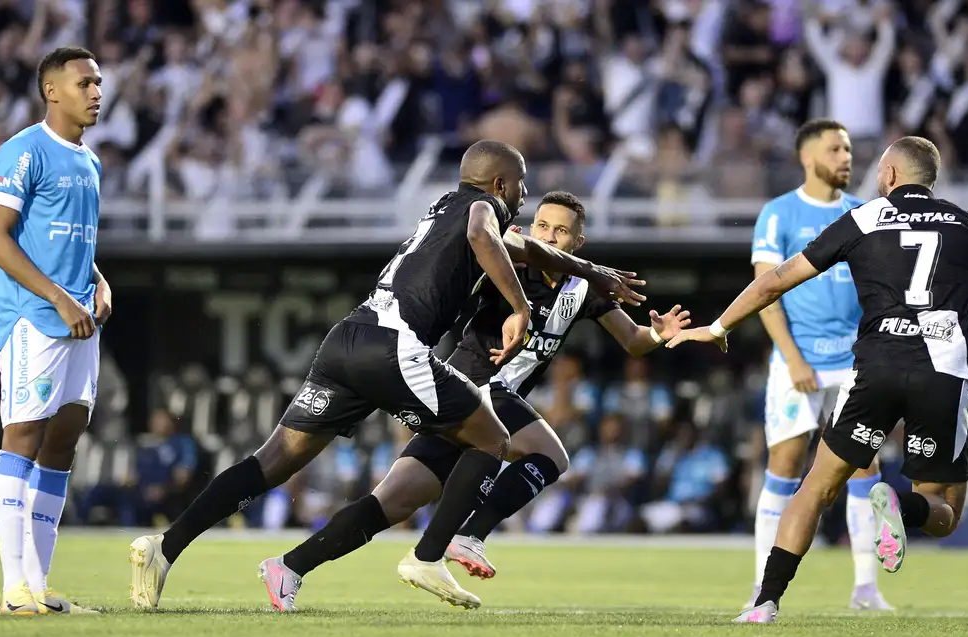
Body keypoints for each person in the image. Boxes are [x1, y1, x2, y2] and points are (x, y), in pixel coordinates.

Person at [128, 142, 646, 611]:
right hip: (394, 347)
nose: (524, 198)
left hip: (349, 338)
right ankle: (432, 554)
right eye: (522, 187)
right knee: (492, 438)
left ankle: (165, 547)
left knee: (273, 462)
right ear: (501, 185)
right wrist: (518, 307)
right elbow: (485, 234)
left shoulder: (445, 206)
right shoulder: (480, 210)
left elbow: (528, 250)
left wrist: (590, 272)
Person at [668, 136, 968, 623]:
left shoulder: (863, 218)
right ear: (931, 179)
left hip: (875, 368)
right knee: (942, 510)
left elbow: (776, 279)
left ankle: (765, 604)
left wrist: (719, 327)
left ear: (888, 176)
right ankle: (902, 507)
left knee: (816, 487)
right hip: (944, 372)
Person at [256, 191, 691, 611]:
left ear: (579, 243)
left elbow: (633, 341)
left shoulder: (584, 288)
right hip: (469, 388)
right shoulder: (511, 266)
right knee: (551, 455)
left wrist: (658, 332)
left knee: (393, 502)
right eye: (542, 225)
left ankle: (289, 567)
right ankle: (457, 541)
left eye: (561, 231)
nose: (549, 236)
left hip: (475, 410)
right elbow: (487, 244)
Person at [0, 47, 107, 616]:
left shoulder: (90, 161)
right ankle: (12, 590)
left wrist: (99, 281)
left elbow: (73, 241)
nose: (96, 92)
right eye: (85, 82)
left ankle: (39, 584)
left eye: (99, 82)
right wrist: (57, 297)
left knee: (65, 439)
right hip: (34, 319)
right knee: (23, 438)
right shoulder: (23, 151)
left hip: (82, 318)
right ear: (52, 90)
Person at [749, 118, 891, 610]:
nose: (846, 158)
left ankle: (866, 589)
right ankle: (759, 586)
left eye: (849, 149)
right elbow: (766, 293)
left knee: (862, 467)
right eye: (835, 149)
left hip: (854, 362)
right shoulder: (779, 213)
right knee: (785, 467)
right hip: (799, 362)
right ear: (809, 158)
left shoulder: (865, 213)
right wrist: (791, 359)